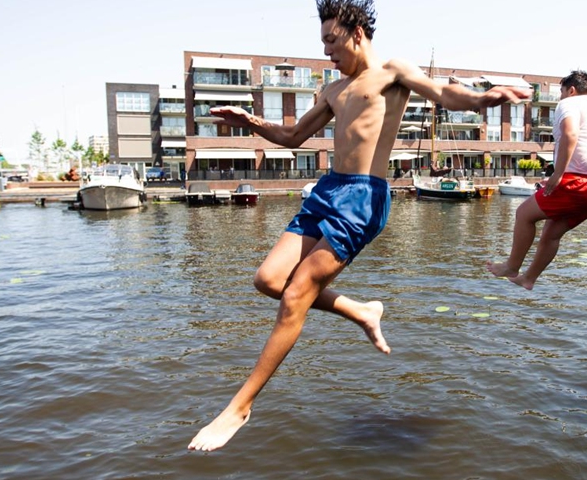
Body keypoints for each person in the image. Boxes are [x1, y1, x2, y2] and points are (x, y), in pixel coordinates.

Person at [188, 0, 531, 452]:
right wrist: (249, 120)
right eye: (323, 43)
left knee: (297, 294)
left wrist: (485, 97)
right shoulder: (333, 91)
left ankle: (239, 407)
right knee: (269, 280)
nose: (328, 53)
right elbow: (292, 138)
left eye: (332, 42)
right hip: (327, 189)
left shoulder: (392, 71)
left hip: (363, 197)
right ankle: (362, 310)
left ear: (356, 33)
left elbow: (445, 95)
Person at [486, 70, 587, 290]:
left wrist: (557, 175)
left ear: (571, 89)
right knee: (551, 232)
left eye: (560, 92)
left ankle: (512, 266)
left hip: (581, 182)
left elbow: (570, 134)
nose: (559, 97)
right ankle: (528, 278)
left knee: (523, 214)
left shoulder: (570, 103)